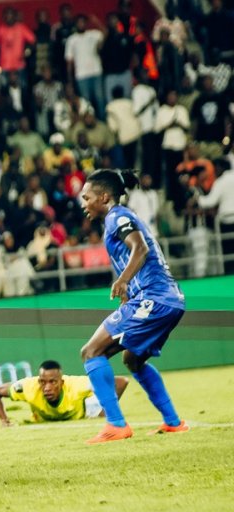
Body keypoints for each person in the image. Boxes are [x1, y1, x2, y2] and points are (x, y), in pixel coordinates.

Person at [77, 169, 188, 444]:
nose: (83, 204)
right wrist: (129, 290)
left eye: (87, 197)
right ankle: (173, 422)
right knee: (133, 360)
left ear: (104, 197)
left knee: (91, 351)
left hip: (154, 298)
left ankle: (115, 425)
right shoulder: (118, 218)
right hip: (167, 300)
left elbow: (140, 248)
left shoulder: (117, 216)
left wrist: (123, 280)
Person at [0, 360, 128, 425]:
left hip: (80, 417)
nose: (47, 387)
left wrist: (105, 413)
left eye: (52, 382)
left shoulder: (76, 385)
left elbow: (121, 382)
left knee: (97, 399)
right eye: (43, 382)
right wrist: (4, 420)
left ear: (61, 382)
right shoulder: (28, 387)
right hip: (41, 422)